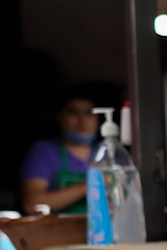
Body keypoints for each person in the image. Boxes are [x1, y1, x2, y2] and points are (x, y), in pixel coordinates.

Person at [19, 82, 119, 215]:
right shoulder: (44, 151)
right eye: (73, 112)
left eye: (89, 113)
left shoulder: (108, 152)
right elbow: (32, 204)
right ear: (59, 117)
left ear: (98, 118)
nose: (82, 120)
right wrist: (90, 185)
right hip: (58, 232)